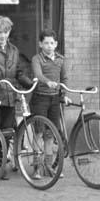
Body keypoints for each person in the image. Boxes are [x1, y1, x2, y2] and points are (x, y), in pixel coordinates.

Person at [0, 15, 34, 180]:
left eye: (6, 32)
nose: (3, 35)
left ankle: (1, 164)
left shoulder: (14, 50)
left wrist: (28, 83)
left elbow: (18, 72)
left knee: (7, 133)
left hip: (9, 96)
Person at [31, 28, 68, 176]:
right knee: (39, 133)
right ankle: (37, 168)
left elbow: (64, 79)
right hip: (40, 98)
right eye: (46, 43)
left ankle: (48, 166)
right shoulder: (37, 59)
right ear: (40, 44)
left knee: (50, 134)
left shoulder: (61, 59)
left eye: (52, 43)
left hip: (54, 99)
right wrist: (48, 82)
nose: (49, 46)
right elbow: (38, 74)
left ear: (56, 44)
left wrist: (63, 94)